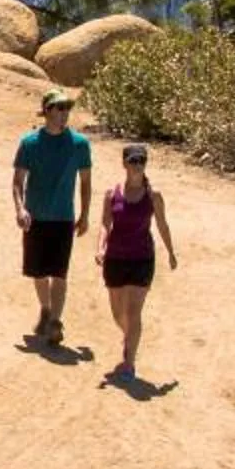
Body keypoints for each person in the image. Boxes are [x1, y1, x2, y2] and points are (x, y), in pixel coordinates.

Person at [11, 86, 92, 346]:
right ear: (46, 111)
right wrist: (20, 208)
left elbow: (86, 182)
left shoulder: (79, 144)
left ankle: (56, 321)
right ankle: (45, 309)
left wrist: (85, 214)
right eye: (59, 108)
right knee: (38, 272)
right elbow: (18, 181)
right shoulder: (29, 143)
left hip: (63, 218)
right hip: (36, 218)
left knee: (59, 273)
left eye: (67, 108)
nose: (64, 113)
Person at [98, 140, 179, 381]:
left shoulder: (154, 196)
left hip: (142, 259)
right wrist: (100, 247)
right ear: (124, 163)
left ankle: (129, 362)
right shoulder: (112, 194)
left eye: (142, 161)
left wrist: (171, 252)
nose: (138, 166)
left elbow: (163, 225)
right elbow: (105, 224)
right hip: (115, 258)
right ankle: (130, 336)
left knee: (133, 312)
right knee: (117, 313)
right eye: (133, 161)